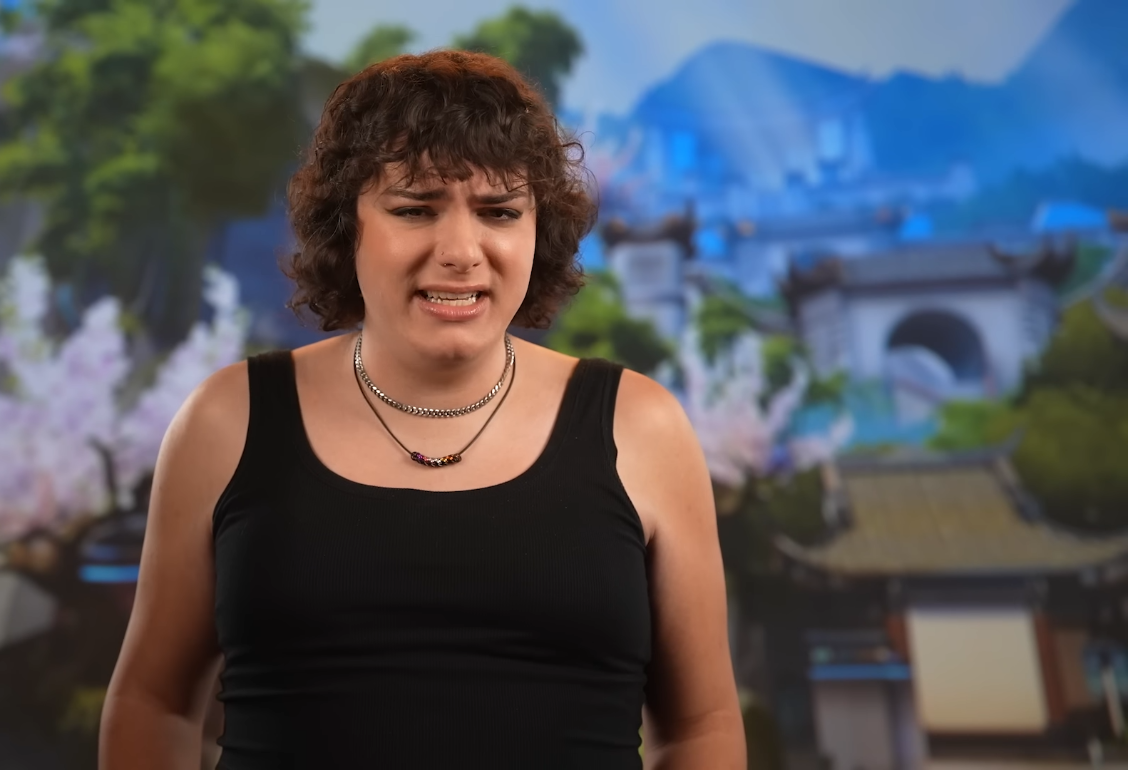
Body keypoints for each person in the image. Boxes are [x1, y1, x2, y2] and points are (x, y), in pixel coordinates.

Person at [100, 49, 745, 769]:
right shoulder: (227, 420)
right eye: (414, 209)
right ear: (346, 225)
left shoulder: (640, 426)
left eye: (500, 212)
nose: (461, 251)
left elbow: (702, 727)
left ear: (539, 230)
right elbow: (153, 703)